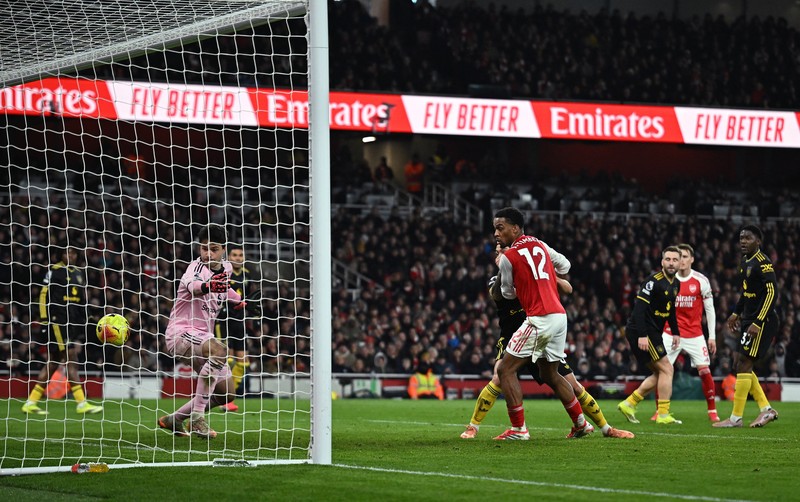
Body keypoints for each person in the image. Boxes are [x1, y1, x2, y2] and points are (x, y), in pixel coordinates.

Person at [460, 269, 634, 439]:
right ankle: (473, 427)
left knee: (572, 384)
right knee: (499, 377)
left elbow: (568, 288)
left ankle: (605, 428)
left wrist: (550, 277)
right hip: (512, 338)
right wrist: (509, 269)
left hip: (541, 335)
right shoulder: (500, 280)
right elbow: (497, 294)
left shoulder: (533, 276)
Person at [491, 207, 591, 441]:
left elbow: (506, 294)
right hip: (559, 316)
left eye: (500, 227)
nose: (496, 233)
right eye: (495, 228)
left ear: (515, 228)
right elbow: (565, 266)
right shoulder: (541, 245)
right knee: (550, 373)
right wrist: (545, 277)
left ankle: (519, 430)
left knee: (505, 369)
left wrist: (522, 281)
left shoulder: (508, 257)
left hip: (539, 319)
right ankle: (581, 424)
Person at [158, 224, 248, 438]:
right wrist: (208, 287)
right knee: (220, 350)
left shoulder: (226, 268)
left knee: (226, 393)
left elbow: (225, 289)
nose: (208, 253)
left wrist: (240, 301)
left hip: (202, 338)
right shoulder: (195, 269)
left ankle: (174, 420)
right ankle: (198, 418)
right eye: (204, 248)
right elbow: (194, 287)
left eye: (214, 249)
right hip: (180, 334)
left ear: (223, 249)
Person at [22, 245, 104, 415]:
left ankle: (31, 402)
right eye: (68, 252)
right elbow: (43, 294)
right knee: (71, 358)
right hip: (58, 321)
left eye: (74, 253)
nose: (71, 256)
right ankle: (82, 403)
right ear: (62, 254)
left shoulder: (78, 273)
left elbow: (82, 298)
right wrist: (44, 319)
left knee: (53, 363)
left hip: (71, 322)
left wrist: (87, 317)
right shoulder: (54, 271)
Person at [714, 225, 779, 428]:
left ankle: (736, 418)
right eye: (741, 238)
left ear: (758, 241)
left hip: (761, 321)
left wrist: (758, 322)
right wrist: (735, 313)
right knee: (740, 364)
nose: (743, 241)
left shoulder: (763, 263)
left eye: (748, 238)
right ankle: (766, 410)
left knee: (744, 363)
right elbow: (746, 293)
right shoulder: (744, 263)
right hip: (748, 319)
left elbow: (772, 293)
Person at [649, 243, 720, 422]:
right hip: (670, 332)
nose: (682, 261)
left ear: (691, 259)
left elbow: (710, 310)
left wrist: (712, 336)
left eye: (686, 257)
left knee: (705, 371)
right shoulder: (667, 280)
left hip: (695, 334)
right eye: (679, 257)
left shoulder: (701, 280)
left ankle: (712, 410)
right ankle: (660, 411)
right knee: (662, 371)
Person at [617, 246, 683, 425]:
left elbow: (670, 311)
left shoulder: (676, 284)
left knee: (660, 373)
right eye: (667, 259)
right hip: (644, 330)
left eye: (674, 260)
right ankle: (663, 414)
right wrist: (642, 335)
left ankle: (629, 403)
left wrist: (675, 332)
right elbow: (639, 309)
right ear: (662, 262)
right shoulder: (652, 281)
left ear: (680, 263)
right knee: (668, 369)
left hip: (653, 331)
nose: (671, 263)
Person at [214, 244, 260, 412]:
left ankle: (230, 396)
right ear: (229, 256)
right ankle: (220, 395)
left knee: (243, 361)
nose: (238, 258)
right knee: (226, 359)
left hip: (239, 321)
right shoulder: (223, 271)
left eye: (241, 255)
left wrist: (254, 318)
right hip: (223, 319)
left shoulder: (247, 275)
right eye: (235, 255)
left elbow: (247, 299)